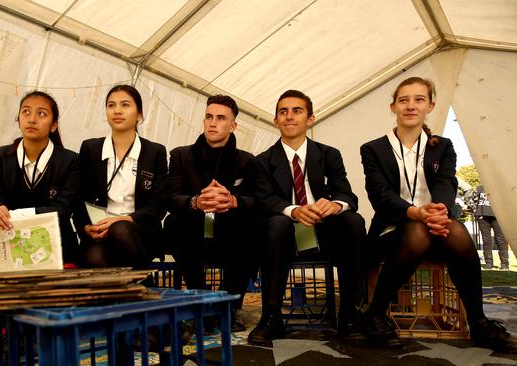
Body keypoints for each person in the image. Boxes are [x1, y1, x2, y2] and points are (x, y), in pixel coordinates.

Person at [359, 76, 517, 352]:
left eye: (419, 99)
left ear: (430, 106)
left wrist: (439, 211)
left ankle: (478, 322)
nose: (411, 106)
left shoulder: (442, 146)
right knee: (418, 230)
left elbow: (446, 183)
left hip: (437, 225)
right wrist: (416, 213)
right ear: (393, 107)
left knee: (455, 229)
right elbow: (380, 195)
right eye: (404, 100)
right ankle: (375, 314)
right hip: (391, 229)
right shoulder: (374, 148)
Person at [247, 90, 366, 346]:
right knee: (276, 223)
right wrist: (294, 210)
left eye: (297, 111)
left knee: (353, 221)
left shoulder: (329, 154)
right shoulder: (262, 161)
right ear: (276, 120)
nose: (289, 117)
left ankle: (350, 314)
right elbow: (264, 200)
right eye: (283, 112)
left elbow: (348, 194)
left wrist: (335, 204)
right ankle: (271, 316)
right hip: (284, 237)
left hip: (325, 233)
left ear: (310, 119)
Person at [164, 94, 258, 332]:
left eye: (220, 118)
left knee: (251, 226)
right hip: (193, 229)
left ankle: (230, 307)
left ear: (233, 125)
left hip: (230, 231)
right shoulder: (181, 155)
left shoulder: (247, 161)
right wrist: (198, 201)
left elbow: (256, 201)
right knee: (173, 223)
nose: (212, 122)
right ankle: (203, 304)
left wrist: (232, 200)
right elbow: (171, 197)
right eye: (208, 116)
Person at [0, 91, 82, 272]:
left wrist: (15, 215)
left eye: (41, 113)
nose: (32, 119)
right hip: (6, 242)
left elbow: (63, 209)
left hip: (57, 243)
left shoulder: (70, 161)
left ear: (54, 125)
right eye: (26, 112)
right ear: (18, 119)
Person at [73, 85, 167, 269]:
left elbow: (158, 204)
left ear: (139, 114)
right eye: (111, 105)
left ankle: (143, 283)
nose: (117, 111)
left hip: (140, 230)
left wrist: (125, 219)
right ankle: (132, 292)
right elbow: (78, 197)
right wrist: (85, 227)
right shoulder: (91, 149)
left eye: (125, 105)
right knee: (94, 258)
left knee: (120, 229)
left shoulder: (155, 152)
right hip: (99, 231)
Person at [475, 185, 509, 270]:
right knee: (486, 240)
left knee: (501, 239)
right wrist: (476, 211)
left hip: (498, 216)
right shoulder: (480, 188)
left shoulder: (500, 187)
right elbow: (473, 200)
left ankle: (504, 264)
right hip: (482, 216)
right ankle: (488, 263)